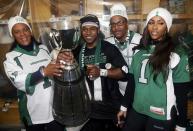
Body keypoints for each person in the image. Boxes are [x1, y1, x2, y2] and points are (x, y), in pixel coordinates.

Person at [117, 8, 191, 131]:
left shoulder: (177, 54)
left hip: (161, 114)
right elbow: (132, 83)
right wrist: (124, 107)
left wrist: (181, 123)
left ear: (167, 26)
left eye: (160, 23)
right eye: (151, 22)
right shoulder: (139, 51)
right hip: (137, 109)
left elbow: (181, 93)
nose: (155, 27)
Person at [58, 14, 128, 131]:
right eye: (85, 29)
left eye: (92, 29)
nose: (88, 33)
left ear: (98, 30)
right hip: (86, 109)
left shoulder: (109, 48)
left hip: (109, 109)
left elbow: (124, 72)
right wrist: (60, 57)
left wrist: (101, 72)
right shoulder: (77, 50)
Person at [3, 16, 64, 131]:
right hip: (34, 114)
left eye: (25, 29)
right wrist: (44, 72)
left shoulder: (43, 48)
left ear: (30, 31)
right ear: (13, 35)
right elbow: (19, 81)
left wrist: (62, 58)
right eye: (17, 32)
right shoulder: (11, 58)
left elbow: (55, 67)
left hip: (54, 110)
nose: (22, 34)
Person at [105, 3, 141, 97]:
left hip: (139, 92)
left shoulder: (140, 40)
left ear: (126, 23)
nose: (116, 28)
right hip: (117, 93)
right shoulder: (107, 43)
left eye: (120, 23)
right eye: (113, 24)